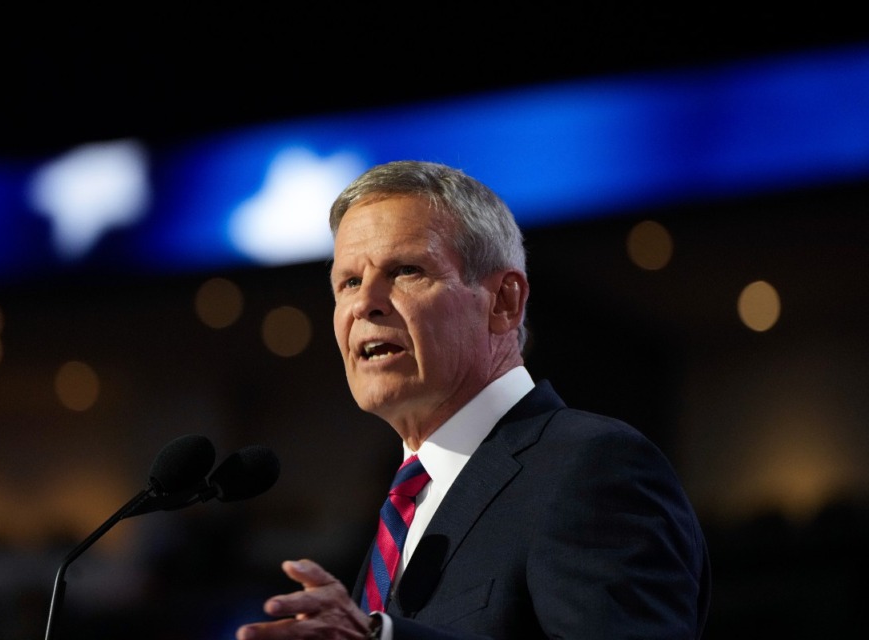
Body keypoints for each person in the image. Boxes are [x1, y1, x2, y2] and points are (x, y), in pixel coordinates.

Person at [236, 160, 710, 639]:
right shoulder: (401, 507)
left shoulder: (590, 466)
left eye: (406, 270)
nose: (365, 303)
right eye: (349, 282)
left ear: (504, 302)